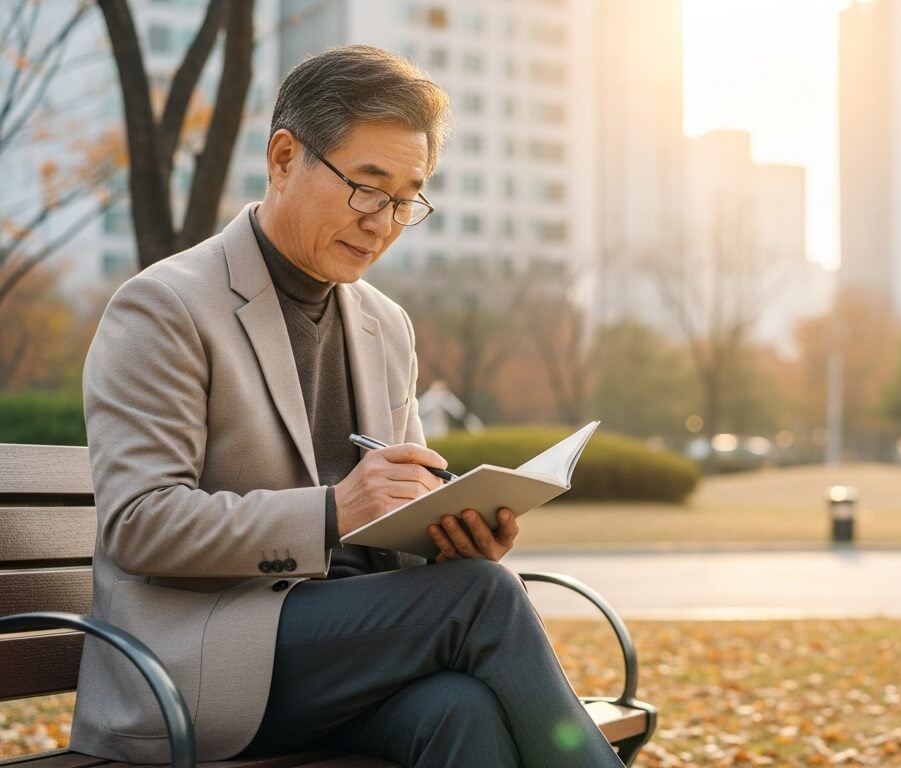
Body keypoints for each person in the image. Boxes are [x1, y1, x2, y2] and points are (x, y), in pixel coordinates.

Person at [72, 45, 624, 768]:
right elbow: (139, 524)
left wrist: (451, 535)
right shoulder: (165, 307)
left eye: (405, 200)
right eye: (367, 188)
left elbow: (401, 512)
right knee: (481, 599)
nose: (382, 222)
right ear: (283, 158)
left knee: (462, 710)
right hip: (199, 665)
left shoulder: (386, 326)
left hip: (356, 657)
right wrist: (334, 511)